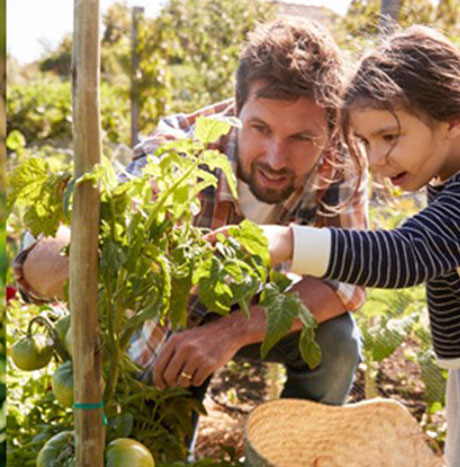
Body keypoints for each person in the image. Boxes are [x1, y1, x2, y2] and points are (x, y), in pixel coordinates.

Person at [211, 26, 460, 466]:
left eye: (389, 137)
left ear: (453, 119)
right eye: (366, 142)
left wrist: (288, 241)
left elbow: (404, 256)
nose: (374, 159)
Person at [15, 16, 367, 420]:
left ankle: (291, 452)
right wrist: (62, 257)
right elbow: (58, 253)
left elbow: (347, 276)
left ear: (329, 128)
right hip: (176, 322)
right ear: (236, 109)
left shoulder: (343, 159)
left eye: (301, 138)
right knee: (154, 437)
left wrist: (231, 332)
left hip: (261, 306)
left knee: (337, 342)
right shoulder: (183, 151)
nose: (275, 158)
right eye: (260, 128)